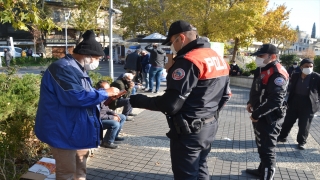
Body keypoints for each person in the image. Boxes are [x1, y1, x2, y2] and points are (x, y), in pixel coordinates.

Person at [129, 20, 231, 179]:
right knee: (201, 167)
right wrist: (208, 115)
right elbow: (226, 95)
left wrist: (137, 101)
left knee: (187, 175)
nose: (172, 47)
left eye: (172, 42)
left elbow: (171, 104)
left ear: (181, 38)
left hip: (189, 131)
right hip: (210, 125)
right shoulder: (216, 57)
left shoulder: (188, 61)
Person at [34, 30, 120, 180]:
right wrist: (105, 93)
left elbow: (84, 94)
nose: (98, 61)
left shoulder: (77, 68)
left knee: (80, 170)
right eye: (97, 58)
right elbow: (75, 97)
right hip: (63, 131)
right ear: (87, 55)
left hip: (77, 130)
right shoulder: (63, 68)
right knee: (66, 172)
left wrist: (103, 97)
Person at [246, 44, 289, 179]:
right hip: (260, 113)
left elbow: (275, 100)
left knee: (267, 149)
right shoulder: (262, 68)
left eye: (261, 56)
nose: (258, 58)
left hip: (269, 117)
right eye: (257, 55)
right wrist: (250, 102)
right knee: (261, 145)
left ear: (273, 57)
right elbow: (257, 88)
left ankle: (267, 175)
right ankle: (261, 170)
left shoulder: (277, 73)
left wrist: (256, 113)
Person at [277, 59, 320, 150]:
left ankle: (301, 142)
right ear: (301, 67)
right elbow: (290, 87)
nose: (309, 68)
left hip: (308, 103)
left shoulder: (316, 77)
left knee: (304, 124)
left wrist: (317, 102)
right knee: (288, 121)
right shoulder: (296, 75)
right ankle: (282, 136)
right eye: (306, 66)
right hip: (294, 101)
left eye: (310, 66)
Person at [96, 80, 126, 149]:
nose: (109, 91)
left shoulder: (104, 97)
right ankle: (107, 142)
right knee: (115, 124)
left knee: (122, 117)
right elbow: (98, 115)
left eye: (109, 89)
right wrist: (111, 117)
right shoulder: (96, 98)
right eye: (106, 89)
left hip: (104, 117)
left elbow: (106, 109)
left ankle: (114, 136)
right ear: (98, 89)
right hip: (98, 121)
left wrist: (114, 114)